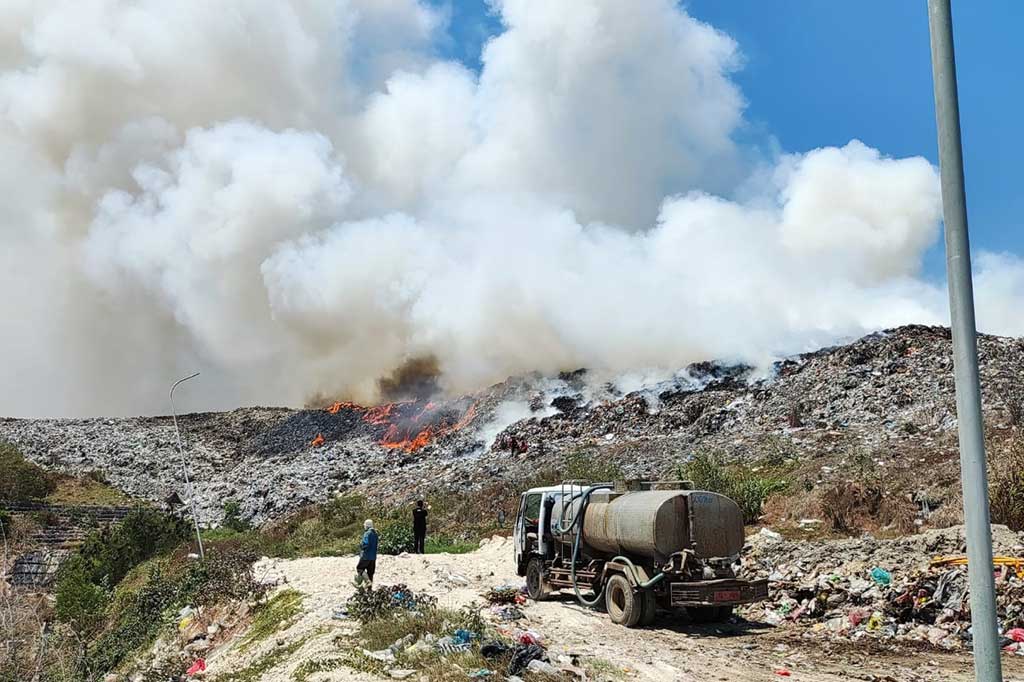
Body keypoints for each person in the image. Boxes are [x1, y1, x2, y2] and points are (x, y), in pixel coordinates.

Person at [356, 519, 378, 586]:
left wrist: (361, 546)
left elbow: (365, 544)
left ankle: (367, 581)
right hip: (373, 557)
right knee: (370, 573)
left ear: (367, 526)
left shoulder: (367, 533)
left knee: (360, 568)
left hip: (366, 555)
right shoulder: (375, 533)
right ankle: (369, 589)